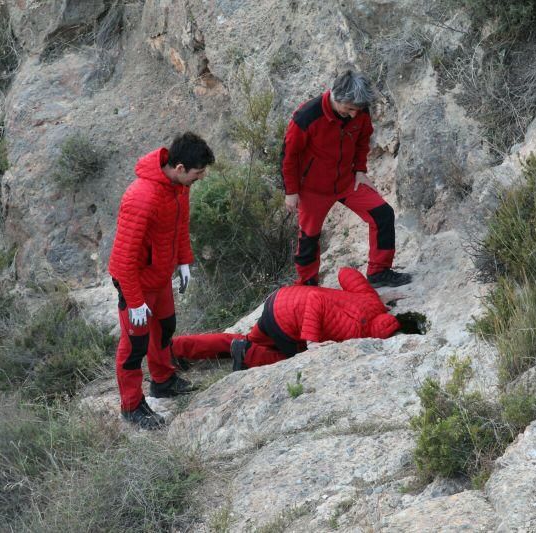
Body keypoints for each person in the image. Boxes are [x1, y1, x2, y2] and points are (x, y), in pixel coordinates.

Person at [108, 132, 215, 430]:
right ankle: (131, 406)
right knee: (134, 346)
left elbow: (181, 226)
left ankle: (163, 380)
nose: (199, 180)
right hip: (136, 283)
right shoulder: (141, 198)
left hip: (160, 276)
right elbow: (124, 258)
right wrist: (135, 300)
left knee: (165, 328)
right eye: (196, 174)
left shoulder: (179, 188)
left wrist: (183, 261)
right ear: (179, 168)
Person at [281, 69, 412, 288]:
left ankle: (379, 272)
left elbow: (363, 139)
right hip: (312, 190)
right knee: (309, 239)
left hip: (347, 182)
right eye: (349, 109)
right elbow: (288, 156)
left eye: (357, 110)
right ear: (336, 96)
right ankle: (307, 285)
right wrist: (291, 191)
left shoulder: (359, 110)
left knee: (383, 215)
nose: (354, 114)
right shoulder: (306, 116)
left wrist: (360, 170)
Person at [170, 267, 402, 369]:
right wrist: (311, 343)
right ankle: (246, 354)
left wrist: (380, 301)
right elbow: (316, 299)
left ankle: (177, 347)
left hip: (282, 300)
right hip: (286, 318)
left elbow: (345, 273)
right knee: (288, 359)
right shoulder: (357, 331)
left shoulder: (370, 300)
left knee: (246, 337)